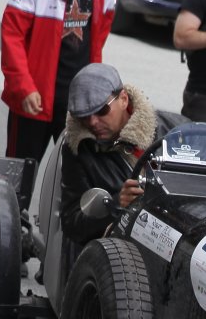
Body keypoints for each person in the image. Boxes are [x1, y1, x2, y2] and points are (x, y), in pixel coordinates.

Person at [0, 0, 113, 168]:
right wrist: (24, 87)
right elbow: (12, 38)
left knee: (76, 178)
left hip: (79, 107)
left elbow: (101, 34)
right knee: (19, 175)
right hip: (34, 100)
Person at [58, 63, 166, 247]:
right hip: (119, 249)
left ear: (123, 99)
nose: (93, 122)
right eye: (83, 116)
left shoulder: (171, 129)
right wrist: (116, 205)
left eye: (101, 110)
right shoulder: (78, 149)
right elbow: (72, 224)